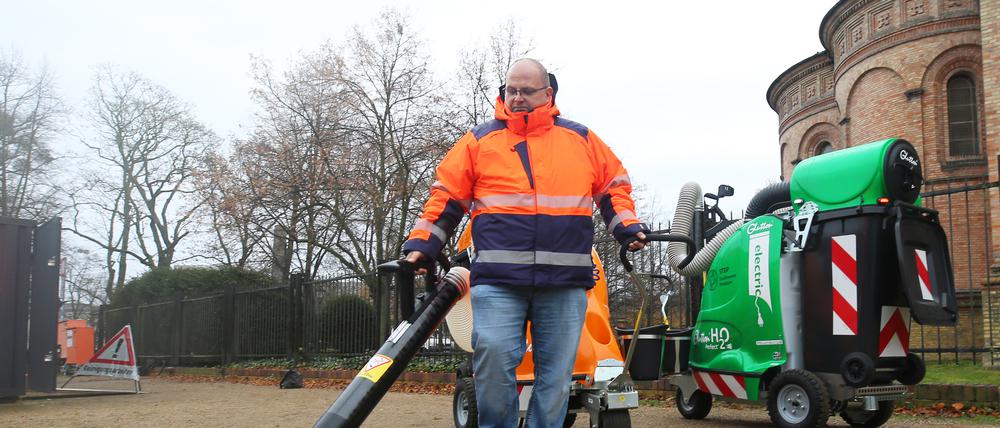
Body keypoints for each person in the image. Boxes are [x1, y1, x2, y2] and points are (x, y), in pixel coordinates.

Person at [403, 58, 648, 428]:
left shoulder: (579, 139)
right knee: (494, 357)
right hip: (499, 280)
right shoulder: (480, 141)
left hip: (564, 281)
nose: (516, 98)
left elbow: (614, 185)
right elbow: (447, 196)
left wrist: (627, 227)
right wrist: (423, 242)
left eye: (526, 91)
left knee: (556, 374)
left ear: (547, 93)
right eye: (510, 91)